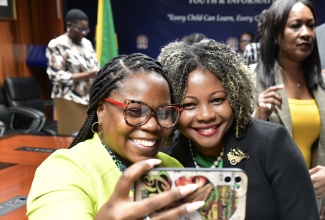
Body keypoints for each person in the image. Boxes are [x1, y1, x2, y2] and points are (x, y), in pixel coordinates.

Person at [26, 53, 205, 219]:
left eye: (164, 113)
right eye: (134, 111)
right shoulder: (64, 170)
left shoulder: (171, 166)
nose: (153, 125)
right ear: (101, 111)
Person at [157, 38, 319, 219]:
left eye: (217, 100)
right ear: (171, 107)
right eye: (189, 105)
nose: (206, 115)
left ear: (235, 96)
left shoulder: (271, 144)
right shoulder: (165, 156)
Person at [251, 0, 325, 213]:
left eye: (310, 25)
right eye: (296, 25)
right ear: (275, 33)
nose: (306, 33)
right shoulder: (249, 79)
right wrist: (257, 119)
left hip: (315, 205)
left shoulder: (322, 84)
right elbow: (233, 151)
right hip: (269, 203)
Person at [46, 8, 100, 135]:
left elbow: (94, 66)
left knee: (89, 137)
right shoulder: (57, 44)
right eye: (81, 29)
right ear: (69, 25)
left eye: (86, 29)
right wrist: (87, 75)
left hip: (88, 98)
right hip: (68, 98)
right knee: (71, 138)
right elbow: (55, 76)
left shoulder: (86, 43)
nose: (84, 33)